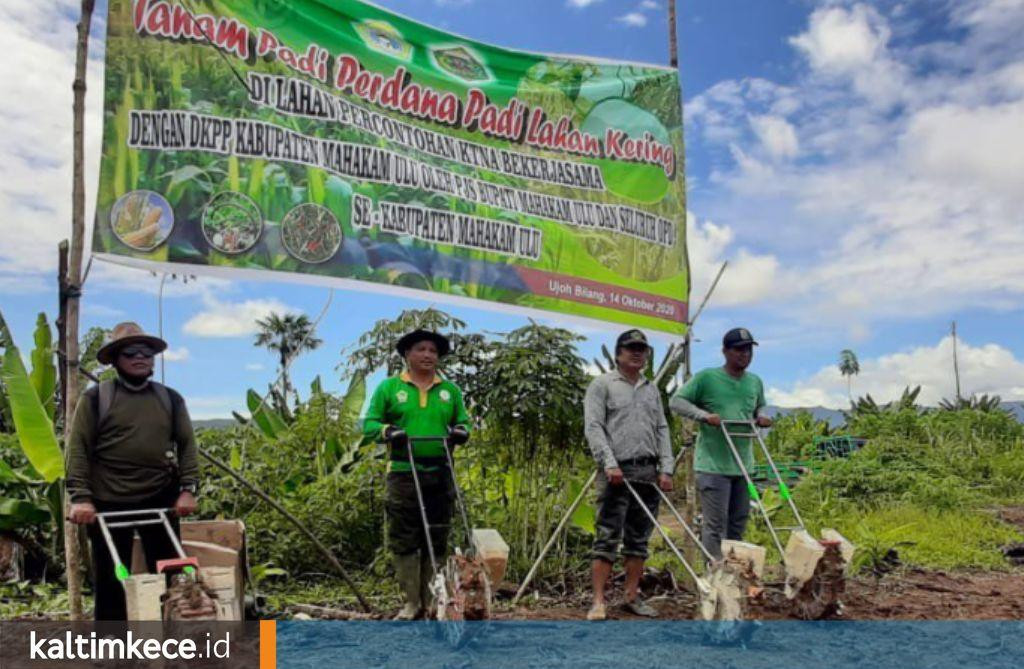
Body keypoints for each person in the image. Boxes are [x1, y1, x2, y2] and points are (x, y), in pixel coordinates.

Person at [66, 322, 200, 621]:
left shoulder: (170, 398)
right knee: (113, 577)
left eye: (147, 352)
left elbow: (188, 445)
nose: (141, 357)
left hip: (159, 494)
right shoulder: (96, 398)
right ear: (115, 359)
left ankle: (177, 640)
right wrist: (81, 498)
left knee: (172, 571)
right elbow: (77, 449)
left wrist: (188, 490)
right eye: (131, 352)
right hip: (108, 498)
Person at [363, 329, 471, 620]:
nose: (427, 355)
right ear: (407, 354)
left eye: (433, 351)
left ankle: (432, 600)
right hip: (403, 472)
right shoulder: (388, 388)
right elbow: (369, 423)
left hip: (440, 471)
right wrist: (388, 431)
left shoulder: (450, 391)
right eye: (421, 349)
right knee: (405, 537)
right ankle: (411, 602)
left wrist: (461, 433)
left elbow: (463, 422)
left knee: (436, 536)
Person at [583, 329, 673, 621]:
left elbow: (661, 428)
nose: (637, 353)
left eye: (642, 349)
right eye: (631, 348)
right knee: (607, 536)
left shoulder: (651, 389)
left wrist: (666, 468)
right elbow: (594, 426)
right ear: (619, 352)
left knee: (639, 539)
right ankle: (598, 601)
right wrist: (609, 463)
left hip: (647, 471)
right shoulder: (602, 385)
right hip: (616, 472)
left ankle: (632, 596)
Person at [670, 327, 771, 561]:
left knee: (738, 524)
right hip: (713, 466)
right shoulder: (707, 378)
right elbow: (677, 402)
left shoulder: (755, 382)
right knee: (715, 526)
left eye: (748, 350)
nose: (744, 354)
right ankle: (713, 575)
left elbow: (759, 406)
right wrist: (704, 416)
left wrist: (762, 416)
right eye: (738, 350)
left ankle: (734, 574)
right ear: (725, 351)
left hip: (743, 465)